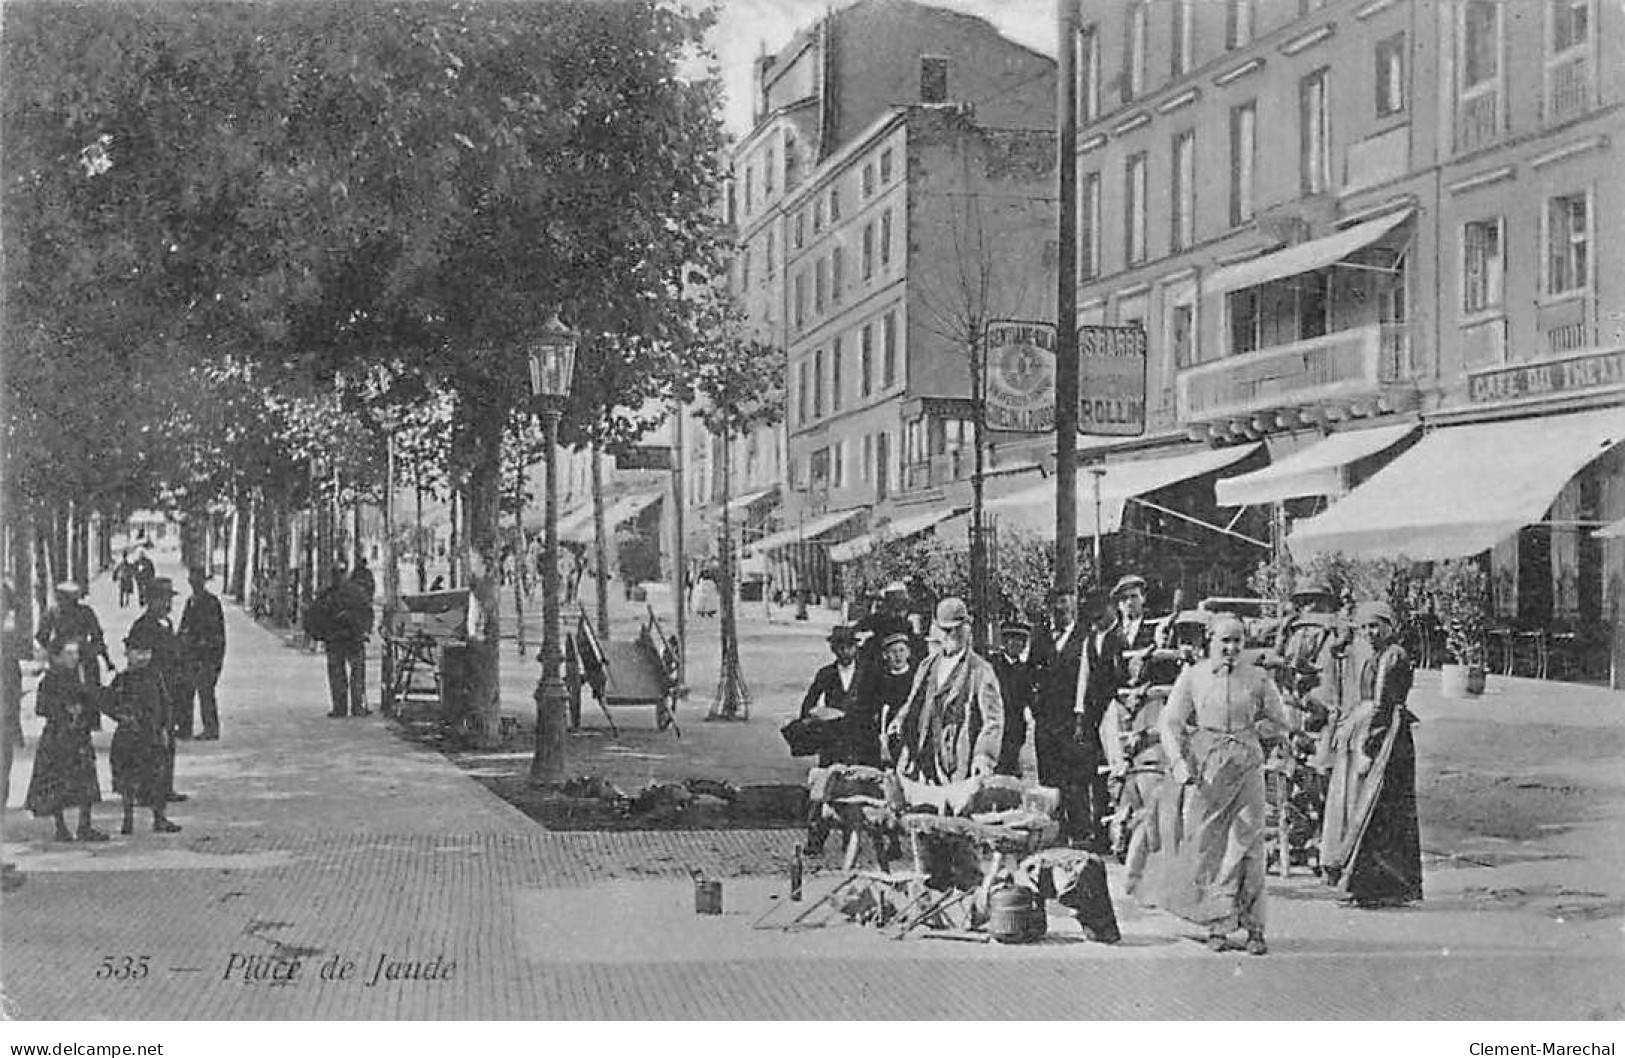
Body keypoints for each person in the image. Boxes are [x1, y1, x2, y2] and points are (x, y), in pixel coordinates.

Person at [1136, 614, 1291, 955]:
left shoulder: (1258, 679)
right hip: (1207, 769)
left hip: (1247, 766)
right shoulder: (1193, 677)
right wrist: (1178, 762)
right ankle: (1218, 923)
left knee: (1248, 842)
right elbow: (1171, 722)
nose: (1232, 649)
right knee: (1211, 845)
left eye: (1238, 641)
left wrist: (1254, 739)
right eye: (1225, 641)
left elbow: (1280, 721)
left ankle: (1254, 928)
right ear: (1211, 641)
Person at [1321, 601, 1422, 909]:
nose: (1369, 632)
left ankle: (1377, 885)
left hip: (1388, 740)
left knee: (1378, 810)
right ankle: (1375, 885)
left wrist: (1367, 750)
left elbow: (1380, 705)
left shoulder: (1393, 657)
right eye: (1365, 627)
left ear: (1390, 627)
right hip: (1378, 735)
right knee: (1377, 813)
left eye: (1375, 626)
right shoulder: (1378, 655)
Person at [1073, 574, 1158, 851]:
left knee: (1148, 764)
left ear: (1143, 599)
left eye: (1134, 597)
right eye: (1123, 599)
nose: (1129, 603)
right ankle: (1121, 832)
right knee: (1118, 767)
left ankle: (1152, 830)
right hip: (1117, 707)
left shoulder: (1155, 628)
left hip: (1147, 705)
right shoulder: (1113, 635)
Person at [887, 597, 1004, 787]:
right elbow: (913, 701)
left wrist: (984, 757)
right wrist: (899, 720)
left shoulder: (980, 671)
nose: (952, 634)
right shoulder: (927, 665)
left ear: (967, 628)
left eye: (957, 628)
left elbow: (993, 721)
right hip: (923, 761)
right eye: (946, 630)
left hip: (958, 764)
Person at [23, 640, 106, 842]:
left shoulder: (79, 676)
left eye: (76, 653)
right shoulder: (49, 680)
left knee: (86, 781)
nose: (74, 658)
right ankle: (61, 827)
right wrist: (63, 709)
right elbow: (41, 708)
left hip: (78, 734)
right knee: (57, 783)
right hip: (57, 736)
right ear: (57, 656)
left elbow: (91, 700)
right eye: (69, 653)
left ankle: (84, 825)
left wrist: (85, 711)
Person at [1031, 591, 1092, 845]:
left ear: (1073, 611)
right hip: (1046, 722)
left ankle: (1080, 833)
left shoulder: (1085, 639)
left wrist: (1081, 718)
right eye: (1055, 611)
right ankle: (1055, 832)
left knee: (1075, 780)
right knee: (1049, 778)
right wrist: (1035, 709)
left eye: (1065, 611)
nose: (1059, 616)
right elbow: (1030, 675)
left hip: (1073, 721)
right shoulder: (1041, 638)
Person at [107, 629, 182, 834]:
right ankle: (128, 818)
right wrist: (121, 716)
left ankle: (159, 818)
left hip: (152, 735)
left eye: (146, 652)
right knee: (127, 780)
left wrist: (166, 728)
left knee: (157, 778)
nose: (142, 657)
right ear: (127, 654)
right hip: (128, 737)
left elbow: (166, 703)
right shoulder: (122, 680)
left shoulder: (155, 677)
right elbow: (108, 703)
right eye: (137, 652)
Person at [797, 625, 861, 854]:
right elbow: (808, 704)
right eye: (840, 648)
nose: (845, 652)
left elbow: (879, 702)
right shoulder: (826, 674)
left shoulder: (868, 673)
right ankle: (815, 841)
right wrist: (817, 716)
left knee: (856, 791)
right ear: (834, 650)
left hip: (860, 741)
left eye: (849, 647)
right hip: (832, 742)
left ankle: (851, 840)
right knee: (823, 788)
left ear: (856, 647)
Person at [128, 577, 188, 805]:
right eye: (164, 600)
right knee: (150, 741)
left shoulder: (167, 625)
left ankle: (165, 786)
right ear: (152, 601)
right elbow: (137, 660)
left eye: (169, 600)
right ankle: (146, 789)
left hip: (168, 690)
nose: (168, 605)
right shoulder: (142, 627)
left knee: (167, 739)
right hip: (148, 692)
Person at [310, 566, 375, 718]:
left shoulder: (327, 594)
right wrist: (365, 630)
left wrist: (321, 634)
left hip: (335, 639)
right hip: (353, 638)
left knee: (337, 673)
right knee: (357, 673)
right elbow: (367, 611)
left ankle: (340, 708)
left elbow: (316, 615)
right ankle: (357, 707)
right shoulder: (357, 592)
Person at [36, 581, 113, 693]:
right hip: (70, 655)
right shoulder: (84, 611)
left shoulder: (58, 612)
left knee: (91, 682)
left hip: (75, 654)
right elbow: (97, 636)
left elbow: (97, 635)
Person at [176, 567, 226, 740]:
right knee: (185, 692)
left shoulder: (211, 603)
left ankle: (211, 728)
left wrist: (212, 655)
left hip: (206, 656)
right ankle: (185, 727)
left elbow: (215, 633)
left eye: (197, 579)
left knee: (205, 692)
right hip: (190, 656)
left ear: (203, 581)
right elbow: (183, 627)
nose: (194, 583)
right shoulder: (190, 602)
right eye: (191, 579)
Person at [989, 618, 1036, 777]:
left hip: (1016, 728)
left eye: (1022, 641)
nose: (1018, 645)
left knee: (1011, 772)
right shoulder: (993, 665)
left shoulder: (1025, 670)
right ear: (1005, 642)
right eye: (1013, 640)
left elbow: (1031, 699)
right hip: (995, 724)